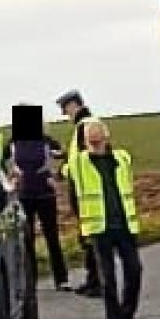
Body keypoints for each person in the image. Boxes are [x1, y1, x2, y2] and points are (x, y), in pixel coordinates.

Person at [64, 120, 145, 319]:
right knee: (107, 277)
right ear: (85, 142)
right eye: (91, 140)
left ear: (106, 139)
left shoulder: (121, 158)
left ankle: (127, 314)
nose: (95, 144)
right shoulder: (78, 164)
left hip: (124, 224)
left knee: (135, 270)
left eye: (98, 139)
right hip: (99, 227)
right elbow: (70, 177)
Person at [9, 128, 70, 292]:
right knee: (27, 241)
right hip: (24, 196)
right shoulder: (13, 143)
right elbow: (2, 162)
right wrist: (12, 179)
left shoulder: (47, 141)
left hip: (45, 194)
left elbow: (66, 154)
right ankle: (30, 281)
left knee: (52, 238)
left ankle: (61, 279)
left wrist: (57, 175)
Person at [57, 89, 103, 298]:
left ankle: (98, 282)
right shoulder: (85, 125)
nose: (66, 115)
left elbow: (83, 161)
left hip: (87, 192)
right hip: (88, 190)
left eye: (66, 110)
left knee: (91, 237)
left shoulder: (85, 126)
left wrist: (62, 171)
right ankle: (93, 279)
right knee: (89, 237)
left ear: (73, 105)